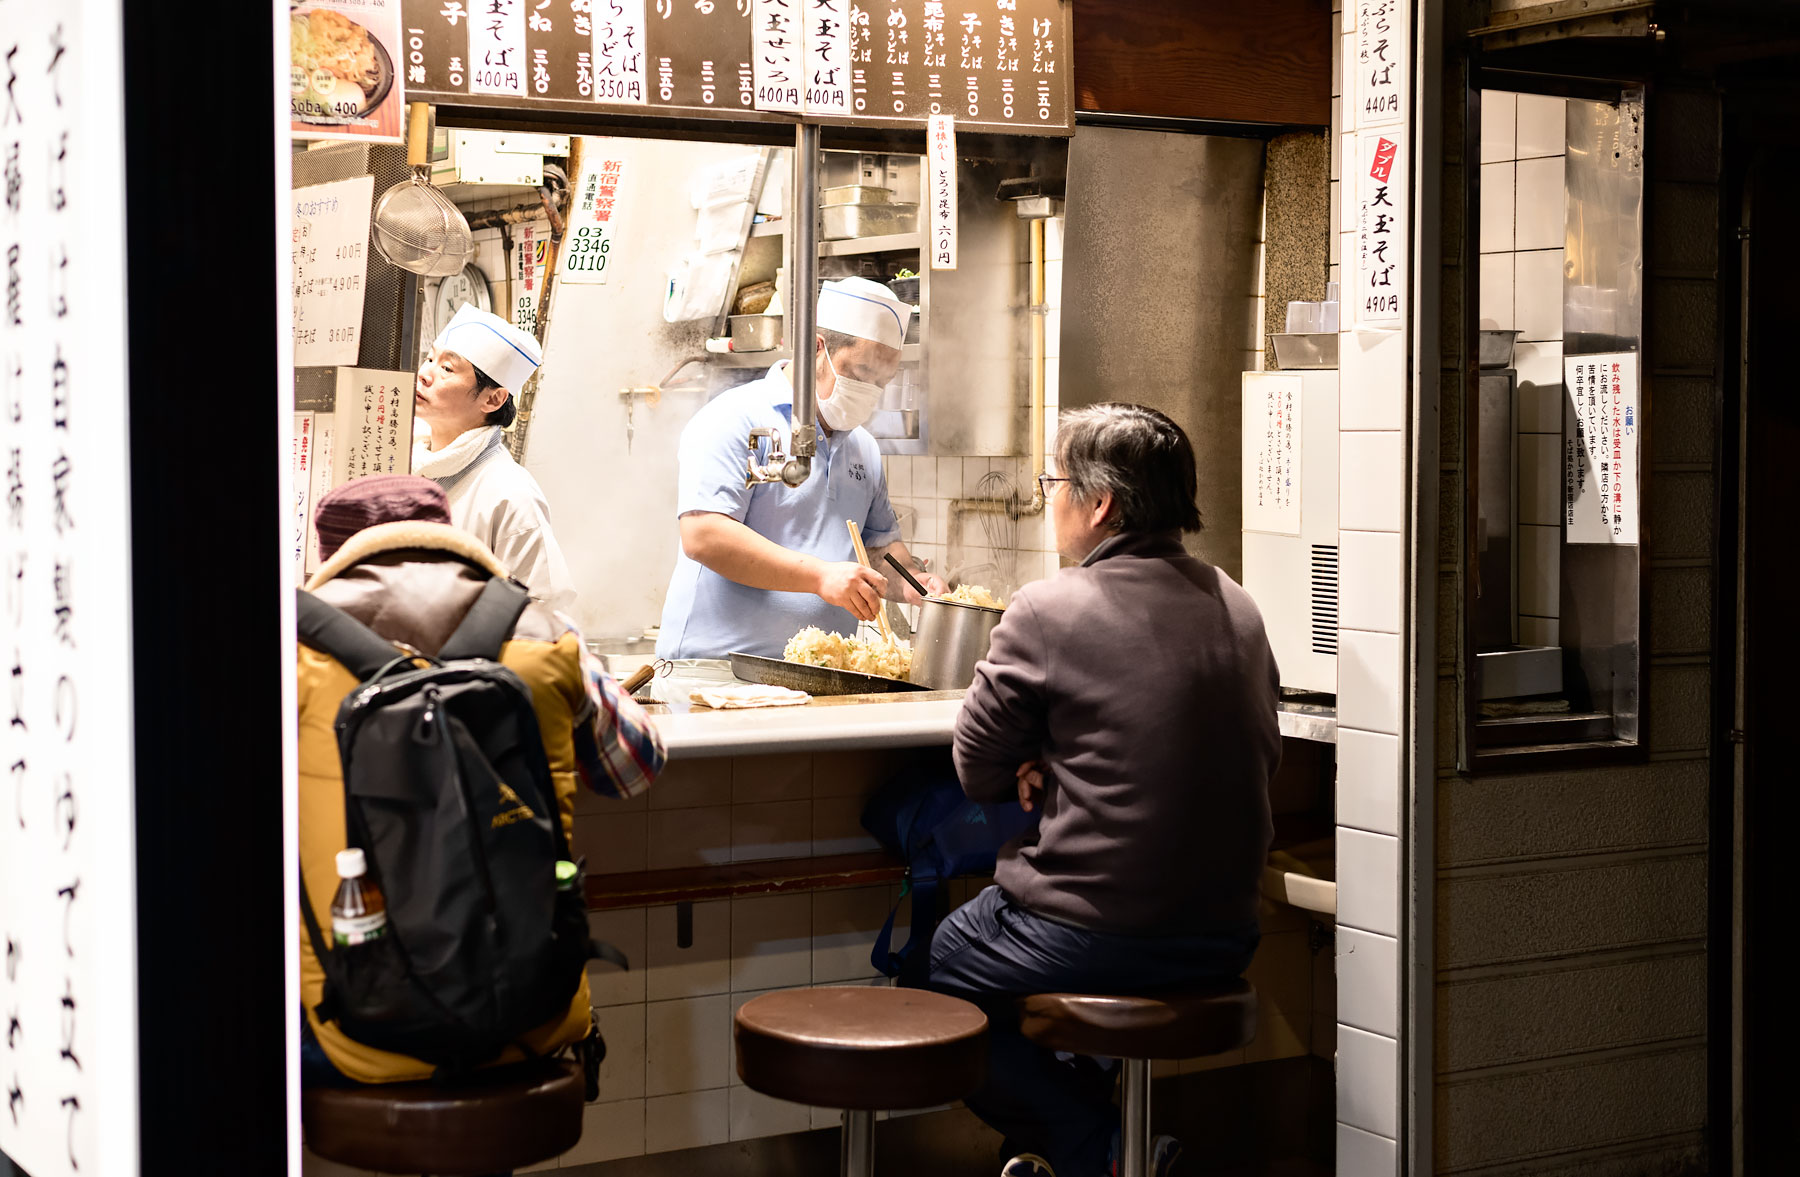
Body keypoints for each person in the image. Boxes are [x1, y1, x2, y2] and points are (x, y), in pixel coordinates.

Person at [926, 404, 1280, 1177]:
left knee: (949, 954)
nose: (1047, 496)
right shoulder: (1241, 605)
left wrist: (1030, 761)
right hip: (1227, 930)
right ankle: (1105, 1130)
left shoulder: (1049, 607)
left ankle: (1100, 1147)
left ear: (1101, 504)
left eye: (1052, 481)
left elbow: (978, 768)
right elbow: (1255, 753)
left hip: (1097, 934)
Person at [298, 475, 666, 1098]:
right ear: (448, 536)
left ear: (329, 554)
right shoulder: (540, 631)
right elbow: (633, 766)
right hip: (531, 1017)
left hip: (353, 1032)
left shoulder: (293, 645)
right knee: (491, 1046)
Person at [656, 276, 947, 659]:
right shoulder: (734, 418)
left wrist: (910, 582)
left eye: (883, 380)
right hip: (715, 673)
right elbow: (703, 535)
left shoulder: (864, 449)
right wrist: (821, 576)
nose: (871, 390)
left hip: (817, 675)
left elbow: (879, 551)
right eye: (861, 373)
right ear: (816, 348)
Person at [413, 304, 578, 614]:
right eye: (430, 358)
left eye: (447, 369)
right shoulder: (406, 465)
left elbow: (544, 609)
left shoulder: (510, 494)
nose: (424, 374)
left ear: (493, 399)